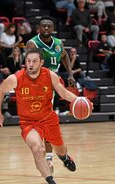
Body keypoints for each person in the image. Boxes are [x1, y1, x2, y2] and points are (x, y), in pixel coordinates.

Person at [0, 48, 77, 184]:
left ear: (41, 62)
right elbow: (0, 91)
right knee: (37, 149)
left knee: (60, 149)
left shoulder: (50, 75)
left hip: (48, 119)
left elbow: (64, 93)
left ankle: (64, 158)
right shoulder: (16, 78)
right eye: (28, 61)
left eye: (34, 61)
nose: (30, 64)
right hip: (28, 122)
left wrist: (79, 100)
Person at [26, 16, 74, 173]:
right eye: (43, 26)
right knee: (41, 124)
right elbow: (30, 64)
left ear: (53, 28)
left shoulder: (59, 44)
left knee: (46, 123)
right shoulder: (33, 43)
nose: (46, 28)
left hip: (52, 85)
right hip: (37, 86)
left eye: (49, 26)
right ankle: (53, 158)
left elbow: (65, 55)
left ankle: (50, 159)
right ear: (38, 28)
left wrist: (70, 74)